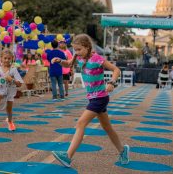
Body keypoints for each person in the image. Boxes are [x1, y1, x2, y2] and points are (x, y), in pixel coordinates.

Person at [50, 34, 129, 167]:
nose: (77, 52)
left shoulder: (97, 58)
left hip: (100, 98)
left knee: (81, 123)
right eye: (75, 50)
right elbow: (69, 64)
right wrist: (59, 61)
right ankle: (123, 150)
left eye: (79, 49)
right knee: (107, 127)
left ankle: (68, 156)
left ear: (87, 47)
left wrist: (112, 82)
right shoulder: (78, 56)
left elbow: (116, 70)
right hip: (93, 98)